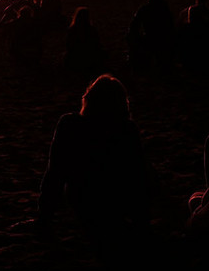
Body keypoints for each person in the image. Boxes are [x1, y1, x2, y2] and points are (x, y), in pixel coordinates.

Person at [37, 75, 148, 253]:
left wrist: (44, 216)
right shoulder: (126, 128)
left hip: (83, 198)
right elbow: (138, 173)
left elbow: (55, 173)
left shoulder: (69, 124)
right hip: (118, 200)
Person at [64, 7, 104, 80]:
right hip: (89, 57)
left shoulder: (72, 30)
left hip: (76, 57)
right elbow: (97, 44)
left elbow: (68, 46)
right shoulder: (92, 30)